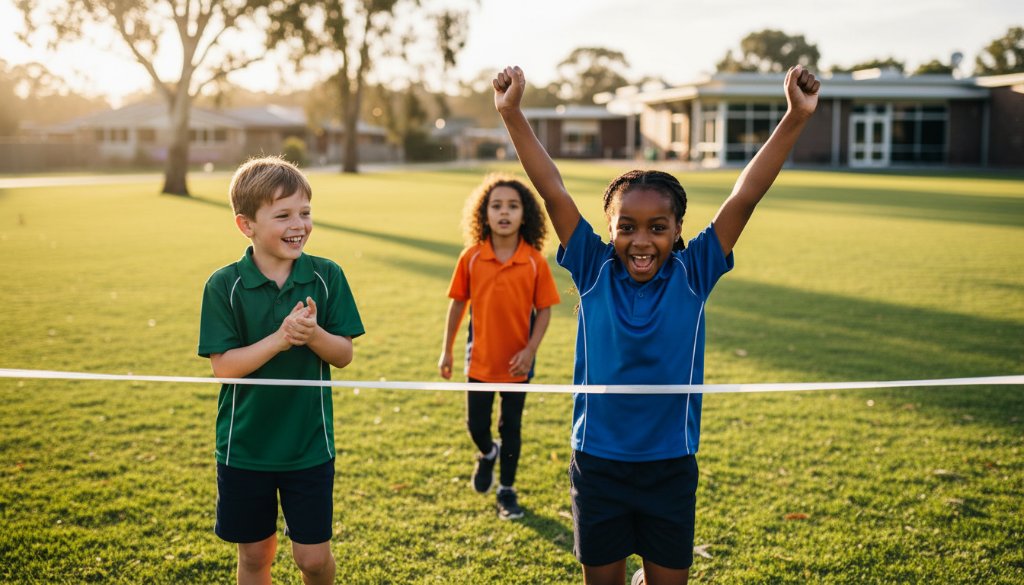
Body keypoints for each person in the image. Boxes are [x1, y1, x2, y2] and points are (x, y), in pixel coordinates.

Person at [493, 65, 820, 585]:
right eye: (626, 227)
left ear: (678, 231)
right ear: (608, 230)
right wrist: (511, 113)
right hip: (598, 464)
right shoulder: (592, 267)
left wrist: (794, 118)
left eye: (657, 228)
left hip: (670, 466)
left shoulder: (695, 272)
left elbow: (745, 195)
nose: (641, 241)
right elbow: (551, 188)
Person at [198, 156, 364, 585]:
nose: (299, 225)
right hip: (244, 448)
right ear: (245, 225)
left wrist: (312, 335)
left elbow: (343, 354)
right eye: (284, 215)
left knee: (311, 559)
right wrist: (281, 337)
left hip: (309, 446)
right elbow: (225, 369)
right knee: (255, 557)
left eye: (305, 213)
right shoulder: (223, 285)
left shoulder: (327, 276)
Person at [438, 173, 561, 520]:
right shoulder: (472, 257)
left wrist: (531, 350)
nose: (504, 212)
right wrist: (446, 350)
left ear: (526, 214)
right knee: (477, 426)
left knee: (512, 427)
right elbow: (458, 304)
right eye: (496, 206)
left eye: (512, 206)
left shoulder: (534, 261)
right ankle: (487, 452)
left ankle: (507, 490)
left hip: (518, 364)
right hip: (479, 360)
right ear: (484, 214)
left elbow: (546, 310)